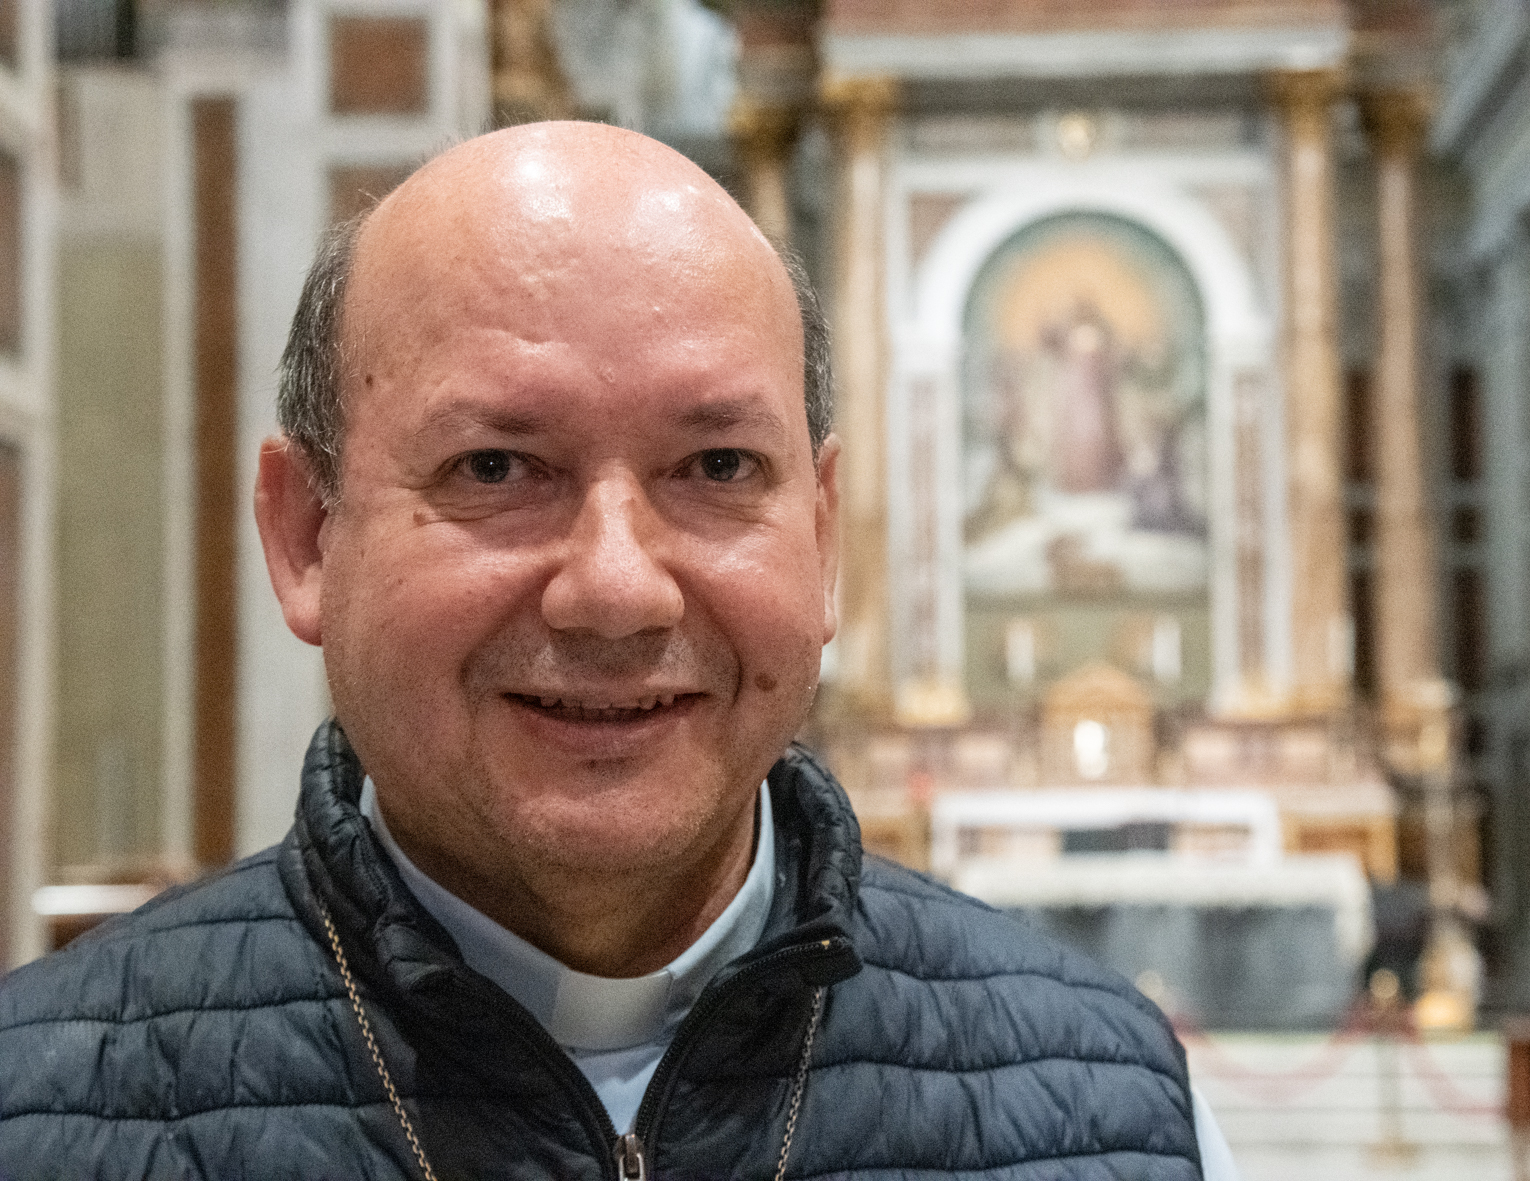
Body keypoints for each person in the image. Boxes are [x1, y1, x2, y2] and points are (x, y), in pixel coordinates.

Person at [0, 123, 1234, 1179]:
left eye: (716, 466)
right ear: (307, 534)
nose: (615, 590)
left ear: (822, 535)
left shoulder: (1115, 1107)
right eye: (495, 466)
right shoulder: (38, 1111)